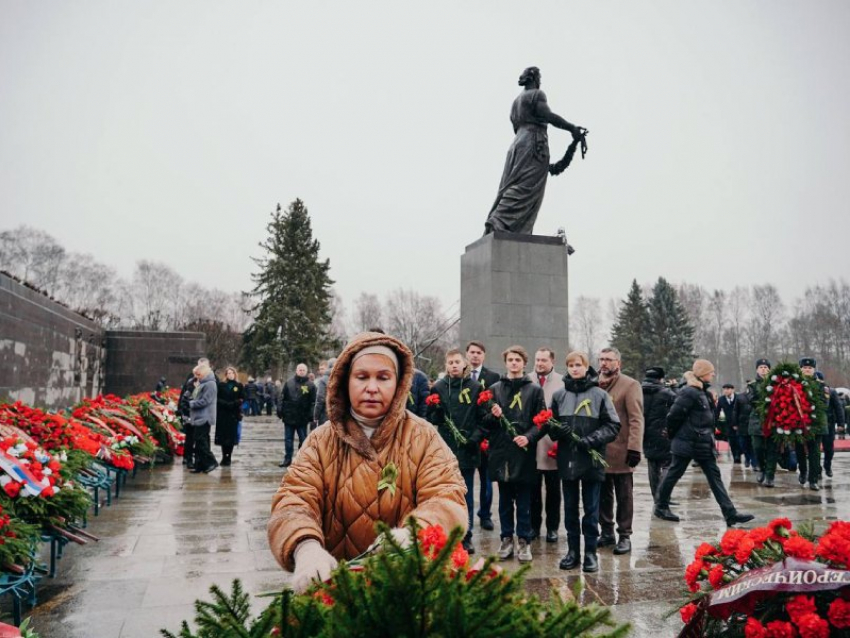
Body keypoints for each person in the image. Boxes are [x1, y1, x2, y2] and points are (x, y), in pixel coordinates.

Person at [267, 332, 467, 593]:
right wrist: (305, 547)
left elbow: (447, 497)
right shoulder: (319, 442)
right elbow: (293, 501)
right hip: (335, 591)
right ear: (345, 381)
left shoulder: (424, 437)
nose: (372, 387)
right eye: (362, 377)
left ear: (398, 384)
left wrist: (414, 534)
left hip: (408, 589)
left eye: (383, 378)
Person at [484, 66, 585, 235]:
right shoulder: (537, 95)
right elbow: (548, 115)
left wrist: (573, 145)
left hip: (517, 145)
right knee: (525, 187)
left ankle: (502, 224)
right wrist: (571, 128)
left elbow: (554, 169)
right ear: (535, 78)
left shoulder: (515, 103)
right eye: (539, 78)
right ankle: (498, 221)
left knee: (514, 183)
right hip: (533, 143)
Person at [654, 359, 754, 527]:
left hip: (702, 443)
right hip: (687, 443)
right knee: (674, 473)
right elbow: (673, 416)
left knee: (715, 478)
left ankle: (730, 513)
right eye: (710, 371)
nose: (713, 374)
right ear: (702, 374)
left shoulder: (702, 392)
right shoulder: (690, 392)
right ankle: (661, 506)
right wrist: (673, 436)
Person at [549, 352, 620, 573]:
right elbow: (550, 425)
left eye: (578, 365)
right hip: (567, 460)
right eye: (570, 365)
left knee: (591, 509)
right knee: (570, 508)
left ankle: (590, 552)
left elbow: (612, 425)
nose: (574, 369)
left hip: (591, 459)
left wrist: (591, 440)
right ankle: (572, 552)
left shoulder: (599, 394)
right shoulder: (559, 395)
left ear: (586, 367)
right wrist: (556, 429)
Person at [484, 345, 546, 563]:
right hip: (501, 452)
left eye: (517, 360)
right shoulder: (494, 389)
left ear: (524, 363)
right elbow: (485, 423)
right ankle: (506, 538)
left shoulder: (535, 390)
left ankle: (524, 540)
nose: (513, 363)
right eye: (510, 359)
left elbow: (542, 421)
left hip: (524, 453)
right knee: (504, 501)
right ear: (505, 362)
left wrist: (528, 436)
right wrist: (493, 415)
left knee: (524, 501)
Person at [426, 349, 486, 554]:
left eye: (457, 362)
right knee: (446, 493)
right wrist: (436, 412)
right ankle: (448, 533)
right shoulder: (439, 387)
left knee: (465, 492)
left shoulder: (476, 387)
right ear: (446, 365)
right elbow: (431, 418)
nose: (453, 365)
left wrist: (474, 439)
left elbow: (483, 419)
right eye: (450, 362)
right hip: (446, 449)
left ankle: (466, 535)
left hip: (468, 447)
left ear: (464, 364)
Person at [597, 347, 644, 556]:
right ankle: (606, 532)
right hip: (599, 449)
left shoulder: (630, 384)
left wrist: (634, 447)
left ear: (618, 363)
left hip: (622, 450)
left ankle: (624, 535)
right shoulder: (594, 384)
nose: (604, 363)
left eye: (609, 359)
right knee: (602, 495)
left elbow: (636, 418)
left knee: (624, 495)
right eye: (601, 359)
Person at [466, 340, 501, 532]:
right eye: (472, 352)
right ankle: (467, 517)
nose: (475, 355)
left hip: (487, 434)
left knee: (487, 480)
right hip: (468, 434)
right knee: (468, 482)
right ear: (467, 354)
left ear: (483, 356)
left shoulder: (493, 377)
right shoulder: (460, 376)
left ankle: (485, 514)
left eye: (479, 352)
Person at [529, 347, 563, 543]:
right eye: (537, 359)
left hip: (553, 445)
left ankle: (552, 528)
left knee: (553, 491)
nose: (540, 363)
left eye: (543, 360)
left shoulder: (561, 382)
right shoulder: (527, 379)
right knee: (533, 490)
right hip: (532, 444)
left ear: (552, 361)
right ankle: (534, 527)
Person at [641, 366, 677, 503]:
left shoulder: (638, 391)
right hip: (663, 432)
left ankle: (656, 496)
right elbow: (677, 406)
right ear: (661, 378)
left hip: (645, 432)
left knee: (652, 465)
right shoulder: (666, 393)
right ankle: (663, 496)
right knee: (668, 464)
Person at [278, 363, 316, 467]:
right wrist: (280, 410)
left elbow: (313, 402)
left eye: (303, 370)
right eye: (300, 369)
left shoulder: (310, 385)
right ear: (296, 370)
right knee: (288, 439)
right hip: (289, 416)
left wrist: (310, 415)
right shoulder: (289, 383)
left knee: (303, 439)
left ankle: (302, 459)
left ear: (306, 371)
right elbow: (282, 397)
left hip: (302, 417)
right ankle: (287, 459)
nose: (301, 371)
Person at [798, 358, 825, 491]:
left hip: (815, 424)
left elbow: (823, 404)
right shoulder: (795, 384)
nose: (807, 370)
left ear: (814, 369)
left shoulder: (821, 385)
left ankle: (813, 480)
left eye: (810, 368)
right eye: (804, 367)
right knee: (799, 451)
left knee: (814, 453)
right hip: (797, 423)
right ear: (801, 369)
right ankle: (803, 471)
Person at [745, 359, 772, 484]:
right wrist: (766, 400)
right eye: (761, 367)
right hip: (757, 421)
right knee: (758, 447)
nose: (763, 369)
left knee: (771, 449)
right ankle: (761, 468)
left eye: (766, 367)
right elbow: (751, 400)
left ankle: (770, 475)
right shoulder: (752, 385)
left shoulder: (775, 383)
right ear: (757, 369)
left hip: (772, 420)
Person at [189, 362, 219, 474]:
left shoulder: (210, 384)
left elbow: (205, 401)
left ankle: (211, 462)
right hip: (199, 417)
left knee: (201, 441)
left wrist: (191, 404)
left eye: (198, 374)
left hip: (204, 417)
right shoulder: (202, 384)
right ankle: (200, 465)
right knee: (199, 441)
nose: (196, 377)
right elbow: (195, 396)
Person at [216, 366, 244, 467]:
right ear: (226, 375)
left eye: (232, 373)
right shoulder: (221, 385)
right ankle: (224, 457)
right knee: (224, 438)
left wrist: (234, 403)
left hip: (233, 414)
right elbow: (217, 398)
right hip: (223, 414)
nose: (230, 375)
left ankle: (229, 457)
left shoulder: (239, 385)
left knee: (231, 438)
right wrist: (225, 404)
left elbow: (242, 398)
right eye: (228, 373)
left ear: (235, 374)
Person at [820, 372, 846, 478]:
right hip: (815, 425)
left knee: (829, 448)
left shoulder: (831, 392)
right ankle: (816, 468)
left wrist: (841, 423)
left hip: (828, 424)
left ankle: (827, 466)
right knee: (814, 449)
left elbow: (838, 408)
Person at [716, 384, 741, 462]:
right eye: (724, 389)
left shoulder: (738, 398)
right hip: (728, 424)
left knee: (739, 440)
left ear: (732, 390)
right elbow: (717, 411)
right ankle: (736, 457)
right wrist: (716, 422)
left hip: (738, 423)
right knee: (732, 441)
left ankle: (739, 454)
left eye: (728, 389)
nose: (726, 391)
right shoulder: (721, 399)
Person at [313, 357, 336, 428]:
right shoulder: (344, 377)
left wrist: (316, 416)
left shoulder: (323, 380)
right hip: (340, 414)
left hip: (326, 414)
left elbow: (320, 399)